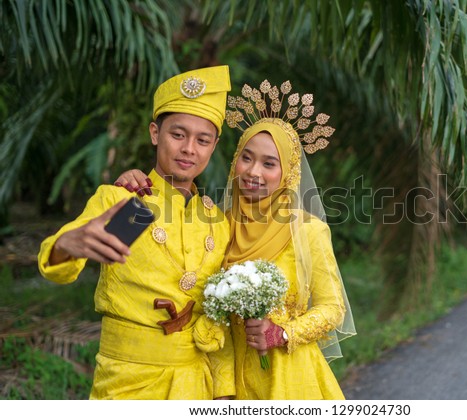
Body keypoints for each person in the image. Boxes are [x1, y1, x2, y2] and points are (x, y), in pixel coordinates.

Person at [115, 79, 356, 399]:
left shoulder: (306, 230)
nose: (253, 172)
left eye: (269, 163)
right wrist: (223, 391)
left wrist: (283, 333)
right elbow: (212, 315)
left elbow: (333, 308)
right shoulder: (217, 226)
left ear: (288, 173)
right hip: (230, 383)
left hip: (289, 380)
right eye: (246, 158)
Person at [37, 66, 236, 400]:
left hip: (196, 385)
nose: (189, 148)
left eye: (203, 140)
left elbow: (217, 316)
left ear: (214, 146)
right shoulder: (125, 201)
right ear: (155, 133)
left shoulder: (216, 220)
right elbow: (59, 265)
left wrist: (224, 393)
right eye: (178, 134)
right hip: (127, 383)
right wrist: (66, 244)